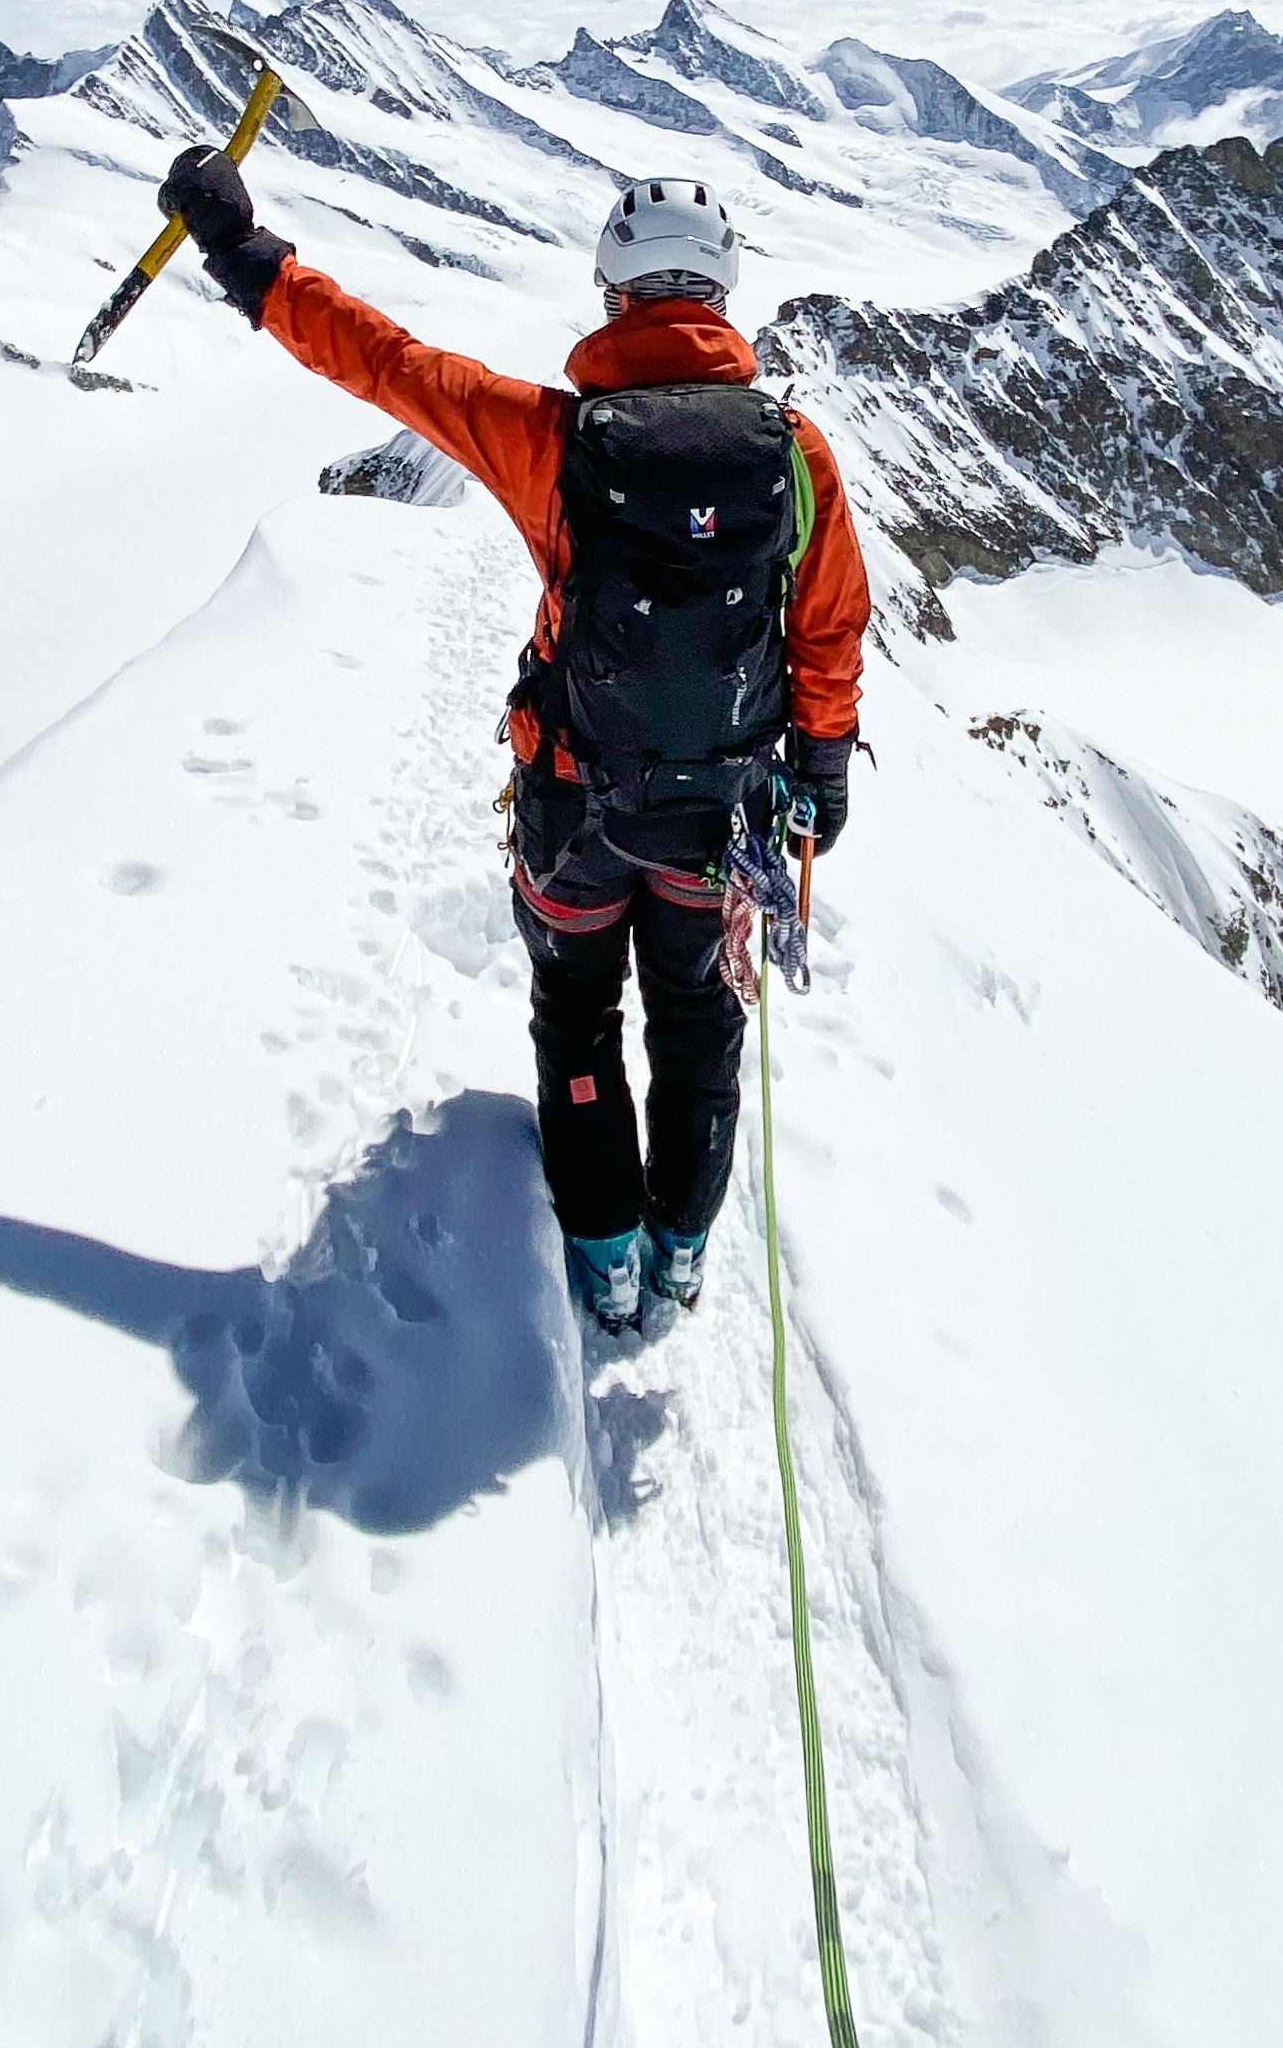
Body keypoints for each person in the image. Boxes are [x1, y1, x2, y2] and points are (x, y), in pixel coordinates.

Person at [154, 147, 868, 1332]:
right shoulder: (794, 457)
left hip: (573, 815)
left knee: (576, 1015)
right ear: (721, 295)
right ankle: (681, 1249)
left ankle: (603, 1259)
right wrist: (822, 766)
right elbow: (828, 626)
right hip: (717, 827)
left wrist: (243, 255)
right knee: (698, 1021)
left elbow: (389, 366)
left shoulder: (551, 440)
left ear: (612, 295)